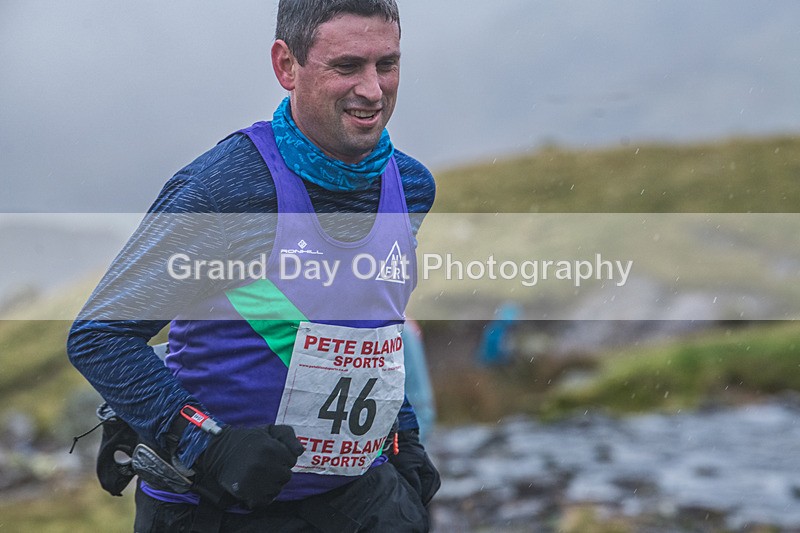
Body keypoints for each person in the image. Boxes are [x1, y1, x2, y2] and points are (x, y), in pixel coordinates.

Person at [67, 1, 440, 531]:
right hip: (215, 508)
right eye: (346, 66)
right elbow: (99, 336)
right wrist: (207, 445)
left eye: (387, 64)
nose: (373, 89)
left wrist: (402, 435)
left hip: (358, 500)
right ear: (287, 65)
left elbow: (368, 331)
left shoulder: (412, 186)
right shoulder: (226, 190)